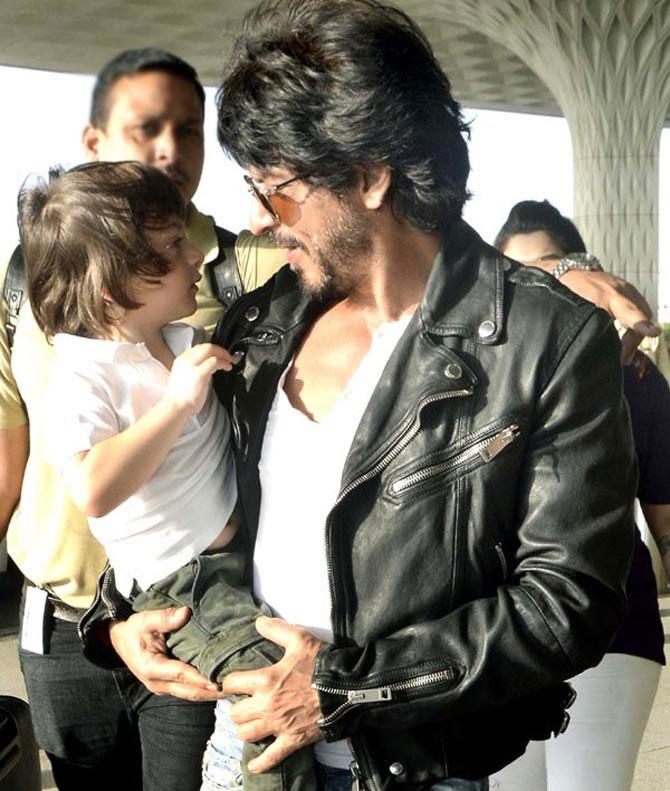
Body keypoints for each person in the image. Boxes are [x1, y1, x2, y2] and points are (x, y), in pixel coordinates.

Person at [85, 2, 640, 790]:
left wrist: (343, 688)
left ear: (371, 175)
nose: (257, 217)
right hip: (245, 758)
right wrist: (120, 620)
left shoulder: (547, 341)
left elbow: (566, 601)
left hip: (419, 769)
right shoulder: (262, 321)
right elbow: (183, 488)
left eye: (274, 189)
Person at [0, 48, 284, 791]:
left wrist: (561, 270)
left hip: (191, 607)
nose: (170, 148)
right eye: (147, 125)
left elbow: (363, 264)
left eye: (191, 129)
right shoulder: (29, 277)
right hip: (62, 620)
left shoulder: (236, 264)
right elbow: (9, 459)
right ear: (93, 145)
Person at [489, 199, 669, 791]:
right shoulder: (478, 382)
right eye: (519, 276)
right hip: (502, 635)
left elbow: (665, 520)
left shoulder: (631, 375)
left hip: (614, 628)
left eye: (554, 269)